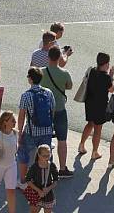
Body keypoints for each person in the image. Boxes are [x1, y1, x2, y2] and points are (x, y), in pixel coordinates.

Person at [18, 67, 57, 184]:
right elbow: (53, 109)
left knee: (24, 153)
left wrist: (19, 133)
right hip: (47, 130)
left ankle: (24, 180)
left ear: (30, 79)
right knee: (46, 154)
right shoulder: (48, 92)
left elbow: (21, 116)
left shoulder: (26, 95)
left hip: (31, 131)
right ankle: (46, 179)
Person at [39, 46, 74, 177]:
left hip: (44, 110)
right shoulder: (65, 73)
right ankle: (63, 168)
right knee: (62, 140)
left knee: (45, 139)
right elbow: (69, 86)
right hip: (59, 109)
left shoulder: (41, 72)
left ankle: (45, 167)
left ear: (48, 57)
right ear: (59, 57)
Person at [78, 52, 114, 160]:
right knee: (98, 129)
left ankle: (81, 144)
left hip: (89, 102)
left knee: (90, 124)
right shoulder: (106, 77)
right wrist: (111, 76)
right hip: (100, 104)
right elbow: (111, 90)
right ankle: (95, 152)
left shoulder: (92, 71)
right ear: (106, 63)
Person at [24, 144, 59, 213]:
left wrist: (48, 188)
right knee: (34, 211)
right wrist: (38, 191)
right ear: (39, 155)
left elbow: (56, 180)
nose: (47, 158)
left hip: (48, 194)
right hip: (35, 193)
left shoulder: (52, 165)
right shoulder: (34, 167)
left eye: (48, 155)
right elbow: (28, 180)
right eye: (44, 156)